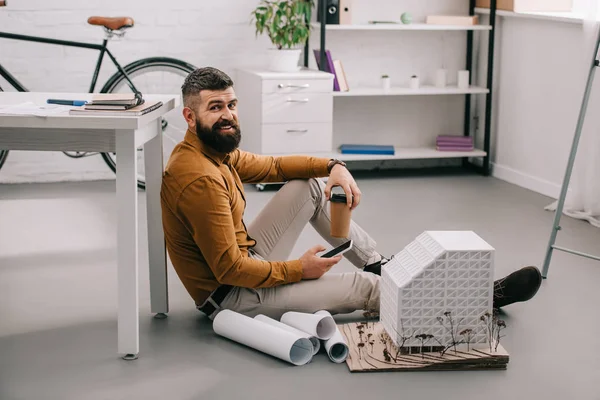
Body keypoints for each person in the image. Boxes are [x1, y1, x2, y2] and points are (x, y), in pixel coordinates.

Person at [160, 67, 542, 321]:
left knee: (307, 186)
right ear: (190, 118)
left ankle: (381, 265)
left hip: (247, 260)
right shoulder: (200, 180)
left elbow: (276, 167)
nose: (228, 115)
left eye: (231, 104)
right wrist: (298, 270)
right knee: (364, 289)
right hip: (231, 296)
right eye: (215, 108)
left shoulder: (214, 151)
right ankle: (477, 299)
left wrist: (333, 167)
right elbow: (229, 270)